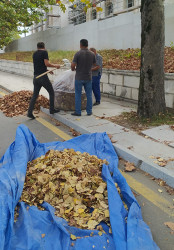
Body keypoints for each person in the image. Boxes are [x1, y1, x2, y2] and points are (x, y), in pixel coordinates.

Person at [27, 42, 60, 119]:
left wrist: (48, 70)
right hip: (43, 78)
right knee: (51, 92)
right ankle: (52, 109)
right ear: (44, 47)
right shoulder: (44, 52)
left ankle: (29, 112)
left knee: (35, 95)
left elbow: (39, 65)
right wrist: (56, 66)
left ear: (37, 47)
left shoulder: (34, 54)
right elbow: (46, 63)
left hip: (36, 77)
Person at [71, 39, 96, 116]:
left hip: (79, 77)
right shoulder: (92, 54)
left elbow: (72, 66)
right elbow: (95, 64)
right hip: (88, 77)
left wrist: (74, 69)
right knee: (89, 94)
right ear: (87, 45)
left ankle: (78, 112)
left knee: (78, 95)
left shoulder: (78, 54)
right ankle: (89, 111)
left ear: (80, 45)